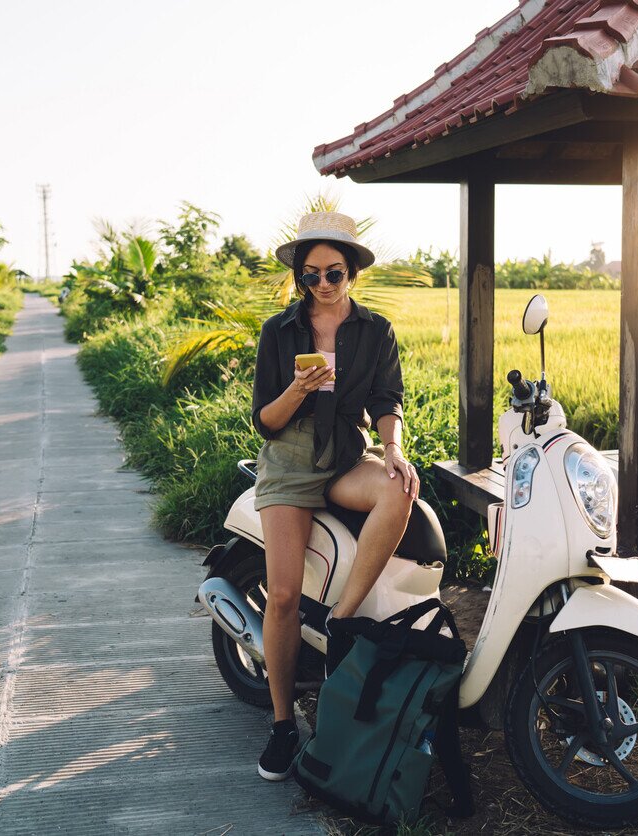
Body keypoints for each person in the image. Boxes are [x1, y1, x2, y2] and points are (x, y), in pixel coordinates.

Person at [250, 211, 419, 781]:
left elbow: (387, 398)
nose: (322, 285)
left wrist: (392, 447)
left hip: (346, 454)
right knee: (283, 597)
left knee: (400, 488)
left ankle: (341, 625)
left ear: (352, 274)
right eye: (311, 274)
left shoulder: (374, 330)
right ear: (300, 276)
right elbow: (265, 423)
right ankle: (280, 724)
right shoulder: (279, 332)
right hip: (290, 463)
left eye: (334, 273)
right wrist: (296, 391)